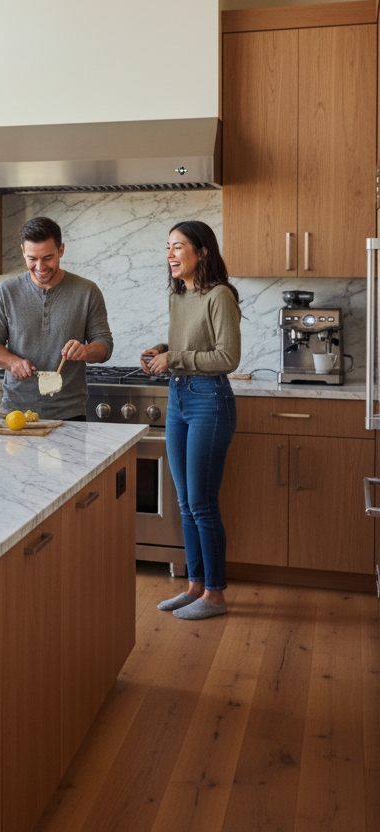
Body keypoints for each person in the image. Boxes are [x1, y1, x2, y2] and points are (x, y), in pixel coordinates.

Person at [141, 221, 241, 621]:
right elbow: (185, 345)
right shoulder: (179, 295)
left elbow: (227, 358)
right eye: (168, 247)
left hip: (209, 400)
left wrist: (175, 359)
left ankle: (215, 594)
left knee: (201, 502)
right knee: (184, 502)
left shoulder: (220, 296)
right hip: (179, 397)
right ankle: (195, 586)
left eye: (177, 247)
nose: (169, 255)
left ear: (201, 251)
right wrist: (160, 350)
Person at [0, 216, 112, 421]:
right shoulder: (7, 291)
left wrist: (85, 350)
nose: (40, 267)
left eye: (48, 258)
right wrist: (12, 362)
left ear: (61, 250)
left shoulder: (86, 291)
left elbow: (105, 347)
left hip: (69, 414)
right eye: (32, 258)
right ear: (23, 251)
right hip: (17, 413)